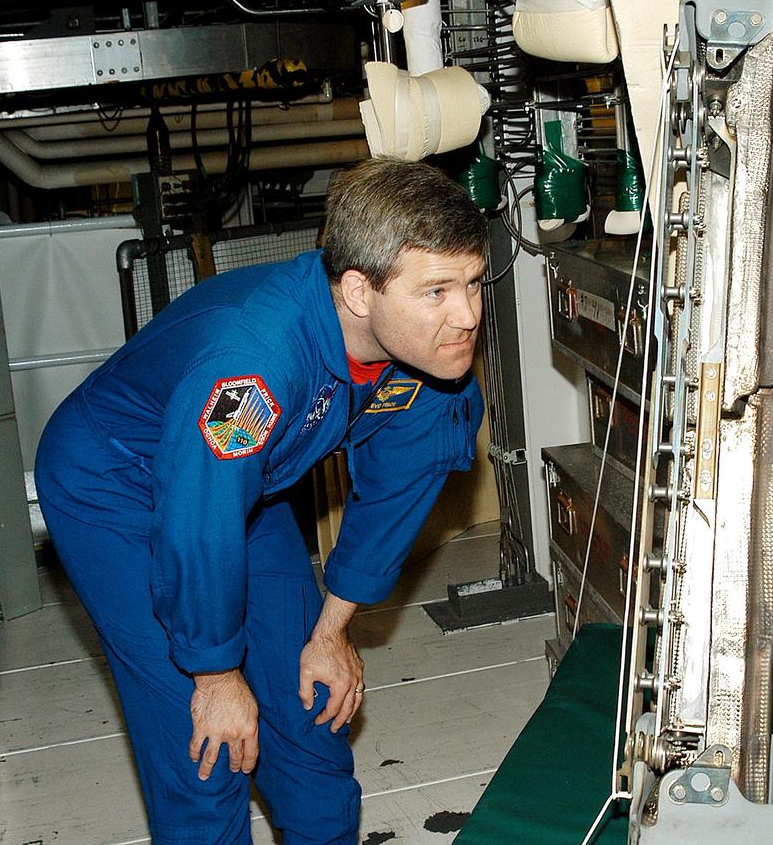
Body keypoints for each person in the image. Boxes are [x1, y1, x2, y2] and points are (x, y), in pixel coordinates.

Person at [34, 157, 488, 845]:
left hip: (245, 482)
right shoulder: (253, 364)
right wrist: (215, 674)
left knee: (309, 711)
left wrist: (331, 632)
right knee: (207, 744)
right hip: (114, 481)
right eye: (437, 291)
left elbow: (397, 491)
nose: (467, 315)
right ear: (361, 291)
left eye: (475, 282)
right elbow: (198, 513)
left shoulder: (431, 364)